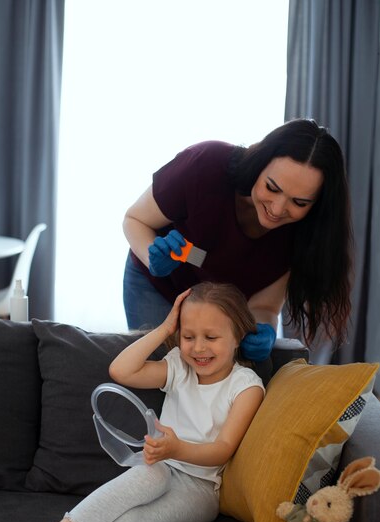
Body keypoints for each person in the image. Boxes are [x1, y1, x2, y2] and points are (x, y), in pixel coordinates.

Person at [0, 282, 265, 522]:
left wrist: (177, 449)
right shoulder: (179, 367)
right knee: (152, 474)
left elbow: (224, 448)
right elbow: (121, 370)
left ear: (237, 336)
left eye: (211, 337)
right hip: (161, 467)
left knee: (134, 521)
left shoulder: (245, 386)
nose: (198, 348)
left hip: (200, 488)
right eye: (189, 336)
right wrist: (165, 328)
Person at [122, 118, 353, 361]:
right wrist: (151, 257)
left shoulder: (304, 232)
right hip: (160, 287)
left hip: (220, 305)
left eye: (299, 202)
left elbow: (264, 306)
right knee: (162, 372)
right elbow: (135, 220)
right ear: (259, 164)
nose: (277, 209)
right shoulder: (204, 165)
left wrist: (261, 330)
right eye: (272, 188)